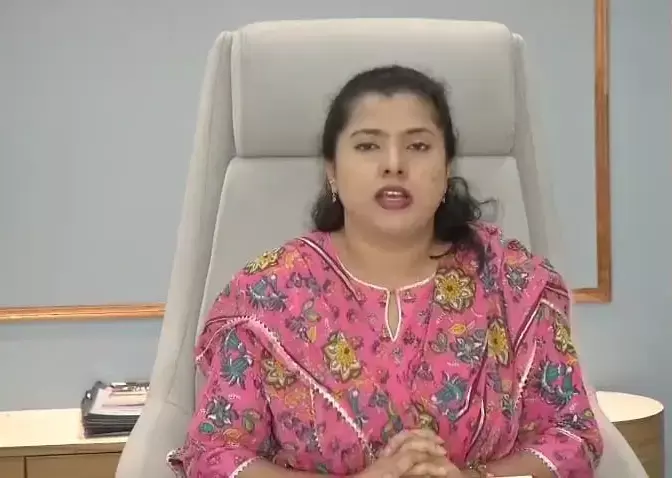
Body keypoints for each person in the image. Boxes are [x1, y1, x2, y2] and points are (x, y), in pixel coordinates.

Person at [167, 65, 602, 478]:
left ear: (447, 169)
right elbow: (215, 457)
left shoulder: (514, 282)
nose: (394, 164)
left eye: (418, 146)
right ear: (332, 171)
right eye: (368, 146)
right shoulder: (265, 295)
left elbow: (572, 438)